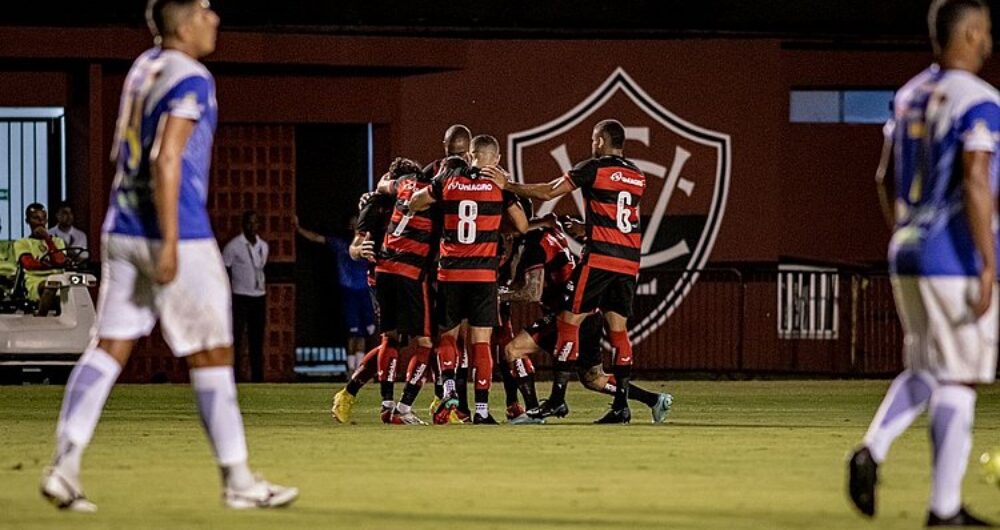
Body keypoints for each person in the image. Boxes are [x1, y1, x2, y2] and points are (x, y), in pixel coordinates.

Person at [40, 0, 297, 512]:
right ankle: (239, 480)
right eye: (205, 11)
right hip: (172, 230)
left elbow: (122, 150)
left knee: (107, 347)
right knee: (214, 354)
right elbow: (165, 155)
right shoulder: (192, 76)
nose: (215, 19)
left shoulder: (143, 68)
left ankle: (64, 466)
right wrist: (172, 241)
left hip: (121, 225)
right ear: (184, 23)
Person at [848, 0, 998, 525]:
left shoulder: (909, 94)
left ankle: (871, 449)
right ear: (971, 34)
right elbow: (977, 178)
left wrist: (906, 231)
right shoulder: (979, 100)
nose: (987, 41)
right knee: (959, 380)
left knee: (926, 369)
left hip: (908, 248)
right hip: (952, 255)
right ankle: (943, 509)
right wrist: (987, 263)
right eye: (984, 32)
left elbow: (881, 177)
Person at [483, 118, 646, 423]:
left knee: (569, 320)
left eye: (593, 140)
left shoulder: (593, 168)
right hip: (629, 259)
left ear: (599, 140)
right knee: (618, 330)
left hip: (600, 259)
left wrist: (509, 185)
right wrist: (590, 227)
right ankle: (621, 407)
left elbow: (547, 192)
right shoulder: (637, 175)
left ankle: (557, 400)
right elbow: (623, 218)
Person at [502, 216, 672, 424]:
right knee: (594, 379)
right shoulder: (550, 234)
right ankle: (654, 400)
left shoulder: (533, 244)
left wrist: (497, 294)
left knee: (514, 350)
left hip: (570, 314)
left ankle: (535, 410)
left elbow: (531, 292)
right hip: (590, 314)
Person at [409, 134, 528, 424]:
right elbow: (523, 226)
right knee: (481, 342)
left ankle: (448, 385)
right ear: (496, 159)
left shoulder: (449, 179)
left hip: (450, 272)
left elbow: (414, 203)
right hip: (484, 274)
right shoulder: (499, 187)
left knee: (448, 336)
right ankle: (483, 412)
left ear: (470, 155)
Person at [295, 214, 377, 375]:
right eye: (354, 225)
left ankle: (360, 369)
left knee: (365, 332)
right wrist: (298, 229)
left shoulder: (370, 246)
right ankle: (351, 369)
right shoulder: (342, 245)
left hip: (365, 294)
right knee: (353, 333)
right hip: (349, 293)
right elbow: (318, 238)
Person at [223, 210, 269, 383]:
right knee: (237, 338)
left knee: (256, 339)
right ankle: (235, 377)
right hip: (240, 296)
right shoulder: (233, 246)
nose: (252, 226)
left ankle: (258, 378)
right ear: (243, 225)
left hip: (258, 296)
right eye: (249, 223)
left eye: (255, 223)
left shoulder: (263, 246)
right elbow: (225, 269)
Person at [15, 203, 67, 314]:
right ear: (27, 221)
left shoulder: (58, 241)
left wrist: (47, 239)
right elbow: (29, 264)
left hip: (60, 280)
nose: (41, 222)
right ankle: (41, 316)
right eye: (36, 218)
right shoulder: (22, 243)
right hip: (37, 281)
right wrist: (51, 264)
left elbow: (60, 261)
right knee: (49, 286)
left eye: (43, 219)